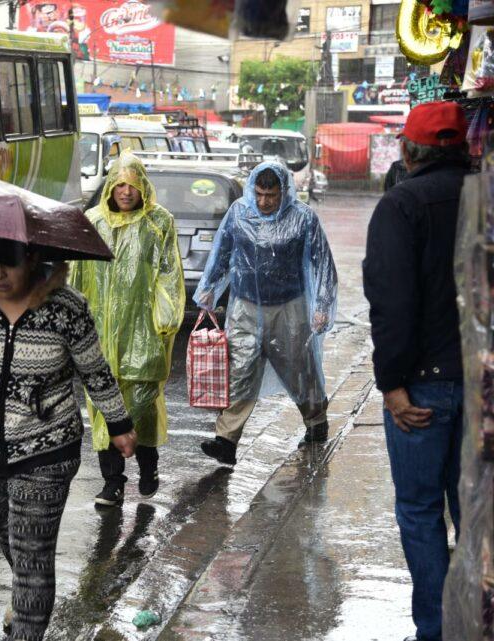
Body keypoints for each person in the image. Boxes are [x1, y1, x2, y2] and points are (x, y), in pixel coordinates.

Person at [0, 241, 136, 641]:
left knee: (32, 555)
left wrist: (119, 424)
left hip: (46, 449)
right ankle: (25, 596)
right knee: (11, 539)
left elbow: (94, 371)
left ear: (33, 260)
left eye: (9, 265)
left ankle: (27, 619)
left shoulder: (66, 308)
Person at [362, 101, 470, 641]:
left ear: (407, 151)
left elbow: (393, 304)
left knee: (421, 511)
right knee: (477, 514)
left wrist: (391, 385)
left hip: (423, 385)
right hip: (483, 382)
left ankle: (440, 631)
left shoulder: (402, 204)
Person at [195, 161, 338, 466]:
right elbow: (223, 251)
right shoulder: (239, 213)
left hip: (289, 306)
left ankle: (316, 420)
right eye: (259, 194)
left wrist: (322, 305)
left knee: (299, 368)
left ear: (283, 192)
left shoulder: (303, 218)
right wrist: (209, 287)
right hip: (245, 306)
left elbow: (323, 263)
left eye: (271, 195)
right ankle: (226, 440)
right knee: (241, 370)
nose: (264, 201)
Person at [71, 152, 186, 507]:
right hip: (100, 338)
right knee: (104, 411)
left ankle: (148, 467)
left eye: (132, 185)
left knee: (142, 409)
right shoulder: (93, 222)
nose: (125, 191)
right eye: (119, 184)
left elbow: (169, 273)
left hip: (144, 335)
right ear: (110, 187)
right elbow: (76, 274)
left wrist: (164, 320)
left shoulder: (159, 222)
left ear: (143, 187)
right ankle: (113, 482)